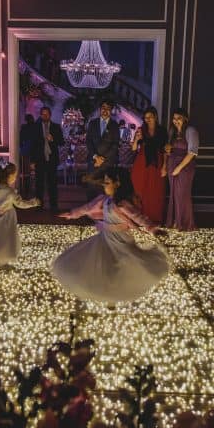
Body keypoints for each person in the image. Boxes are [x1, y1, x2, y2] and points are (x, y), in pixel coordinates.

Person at [53, 167, 168, 303]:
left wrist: (153, 229)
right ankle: (109, 296)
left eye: (107, 182)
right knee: (106, 265)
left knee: (121, 265)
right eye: (104, 182)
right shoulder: (104, 200)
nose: (104, 186)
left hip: (122, 240)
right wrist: (72, 214)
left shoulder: (122, 204)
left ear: (117, 184)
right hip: (106, 239)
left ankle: (115, 294)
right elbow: (88, 208)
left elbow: (139, 217)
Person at [130, 106, 166, 223]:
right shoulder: (141, 130)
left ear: (155, 116)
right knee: (140, 190)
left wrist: (165, 166)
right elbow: (134, 148)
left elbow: (165, 150)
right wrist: (136, 138)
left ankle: (154, 219)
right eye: (146, 117)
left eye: (150, 116)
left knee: (155, 191)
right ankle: (140, 219)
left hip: (157, 162)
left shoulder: (162, 131)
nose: (148, 119)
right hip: (141, 162)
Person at [165, 107, 198, 231]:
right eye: (174, 118)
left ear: (185, 119)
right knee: (174, 194)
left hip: (185, 167)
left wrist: (178, 168)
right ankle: (175, 221)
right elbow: (169, 150)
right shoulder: (172, 132)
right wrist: (168, 150)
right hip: (172, 165)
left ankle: (183, 223)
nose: (176, 121)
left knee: (182, 194)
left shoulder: (191, 131)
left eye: (179, 118)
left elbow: (192, 153)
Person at [31, 107, 64, 211]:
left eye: (46, 114)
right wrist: (32, 161)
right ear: (40, 115)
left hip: (52, 159)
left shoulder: (56, 127)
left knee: (52, 183)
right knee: (39, 183)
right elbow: (33, 145)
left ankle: (53, 205)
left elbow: (61, 142)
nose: (44, 116)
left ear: (50, 115)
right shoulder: (35, 127)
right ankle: (39, 205)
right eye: (42, 114)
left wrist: (53, 139)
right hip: (39, 159)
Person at [85, 100, 120, 199]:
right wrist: (96, 157)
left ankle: (105, 213)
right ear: (100, 109)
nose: (105, 110)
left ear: (111, 110)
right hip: (93, 161)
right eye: (103, 108)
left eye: (108, 108)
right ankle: (90, 213)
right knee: (91, 188)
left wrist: (102, 159)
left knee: (106, 190)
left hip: (108, 163)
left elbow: (115, 145)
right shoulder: (92, 123)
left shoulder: (115, 125)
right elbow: (88, 141)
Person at [19, 114, 37, 197]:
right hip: (32, 152)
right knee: (32, 172)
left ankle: (26, 189)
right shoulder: (35, 127)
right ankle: (32, 189)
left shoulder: (24, 128)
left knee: (26, 172)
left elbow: (20, 139)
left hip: (25, 152)